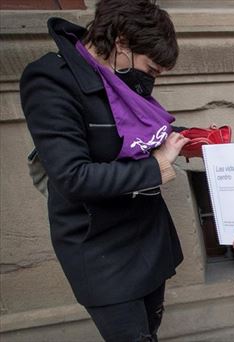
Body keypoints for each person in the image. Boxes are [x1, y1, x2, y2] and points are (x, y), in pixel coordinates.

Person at [20, 1, 189, 340]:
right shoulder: (51, 80)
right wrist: (158, 166)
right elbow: (73, 177)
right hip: (101, 250)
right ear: (121, 43)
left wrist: (192, 139)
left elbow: (136, 134)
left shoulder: (118, 73)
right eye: (151, 69)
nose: (150, 81)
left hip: (147, 236)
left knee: (150, 331)